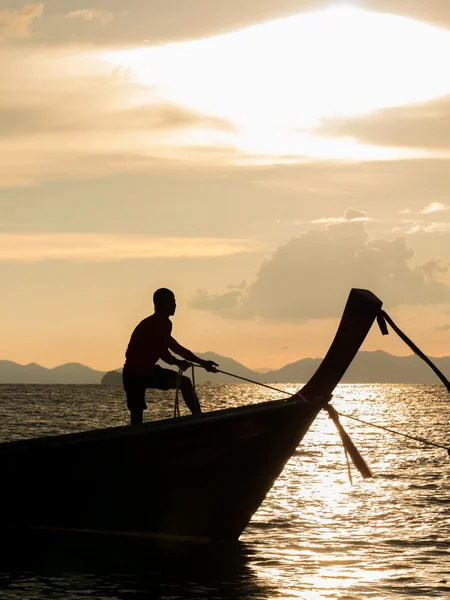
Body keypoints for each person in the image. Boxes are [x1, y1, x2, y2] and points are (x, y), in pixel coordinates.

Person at [123, 288, 218, 425]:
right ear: (160, 304)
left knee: (185, 383)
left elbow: (175, 347)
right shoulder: (153, 324)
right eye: (171, 302)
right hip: (134, 375)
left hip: (149, 371)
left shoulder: (165, 324)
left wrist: (203, 363)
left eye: (174, 302)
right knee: (137, 415)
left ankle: (199, 419)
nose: (175, 305)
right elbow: (163, 353)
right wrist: (178, 363)